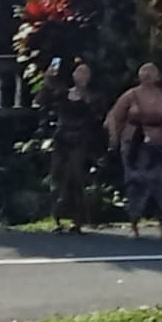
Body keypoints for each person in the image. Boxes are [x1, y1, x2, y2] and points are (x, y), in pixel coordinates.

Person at [106, 63, 162, 239]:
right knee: (134, 182)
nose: (147, 74)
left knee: (158, 182)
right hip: (133, 143)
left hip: (156, 145)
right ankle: (134, 222)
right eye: (144, 71)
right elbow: (114, 116)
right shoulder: (130, 95)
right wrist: (114, 138)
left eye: (151, 71)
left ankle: (161, 221)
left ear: (158, 76)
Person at [47, 62, 100, 235]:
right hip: (62, 138)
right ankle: (57, 219)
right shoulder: (63, 94)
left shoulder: (92, 97)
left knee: (75, 178)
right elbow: (43, 99)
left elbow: (95, 116)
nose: (81, 76)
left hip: (79, 140)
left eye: (85, 73)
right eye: (79, 72)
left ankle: (77, 220)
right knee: (57, 176)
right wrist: (48, 78)